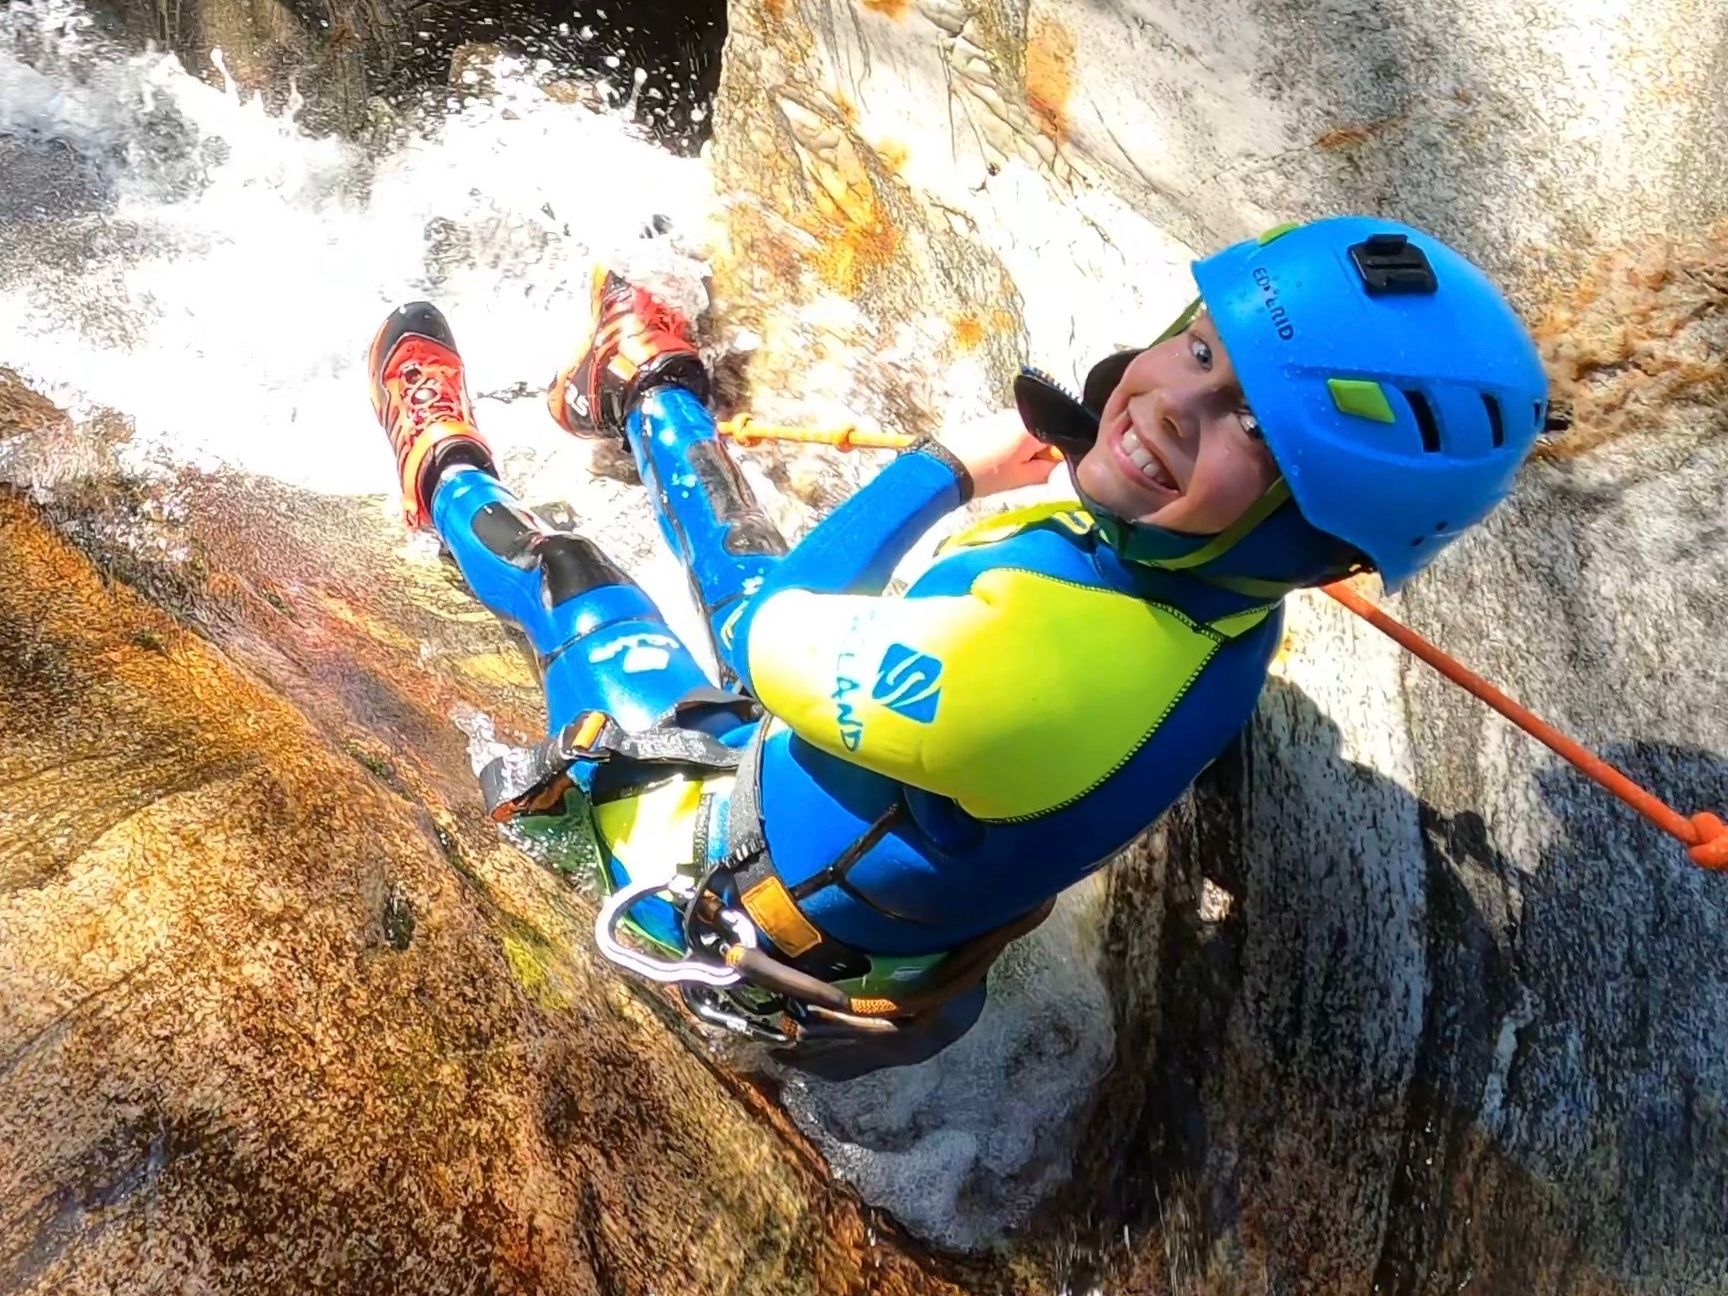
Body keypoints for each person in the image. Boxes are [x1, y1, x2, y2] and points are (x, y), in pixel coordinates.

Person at [366, 216, 1549, 1073]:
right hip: (877, 939)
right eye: (1202, 351)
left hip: (709, 885)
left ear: (1315, 534)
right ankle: (645, 386)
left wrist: (944, 472)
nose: (1173, 408)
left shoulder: (1026, 679)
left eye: (1255, 432)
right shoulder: (1229, 605)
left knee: (581, 579)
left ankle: (445, 465)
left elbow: (766, 626)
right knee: (742, 544)